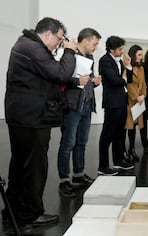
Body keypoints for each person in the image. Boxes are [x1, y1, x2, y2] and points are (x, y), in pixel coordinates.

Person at [3, 17, 87, 227]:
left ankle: (12, 211)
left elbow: (50, 75)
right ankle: (29, 215)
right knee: (34, 167)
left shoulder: (26, 44)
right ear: (48, 33)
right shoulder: (33, 48)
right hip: (32, 118)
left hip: (24, 116)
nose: (59, 43)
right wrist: (69, 51)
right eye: (59, 39)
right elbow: (60, 73)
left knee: (20, 165)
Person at [57, 28, 102, 197]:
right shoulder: (69, 55)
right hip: (72, 105)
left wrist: (94, 82)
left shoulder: (90, 57)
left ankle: (78, 174)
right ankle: (64, 180)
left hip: (87, 104)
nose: (96, 47)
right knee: (68, 143)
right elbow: (60, 77)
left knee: (81, 142)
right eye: (95, 43)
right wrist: (78, 81)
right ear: (85, 41)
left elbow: (86, 81)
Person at [98, 36, 134, 176]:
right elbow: (115, 81)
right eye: (120, 49)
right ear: (111, 49)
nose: (122, 51)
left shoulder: (119, 61)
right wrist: (123, 77)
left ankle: (118, 160)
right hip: (112, 103)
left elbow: (128, 79)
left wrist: (128, 66)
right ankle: (103, 165)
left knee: (120, 133)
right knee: (107, 134)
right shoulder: (105, 61)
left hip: (121, 101)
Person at [124, 45, 146, 162]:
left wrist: (143, 95)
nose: (141, 57)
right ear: (133, 55)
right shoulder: (127, 67)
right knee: (128, 126)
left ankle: (131, 149)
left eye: (141, 55)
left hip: (139, 101)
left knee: (134, 127)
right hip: (130, 101)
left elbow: (143, 84)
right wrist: (136, 96)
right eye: (139, 55)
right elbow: (128, 84)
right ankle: (126, 152)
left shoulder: (141, 68)